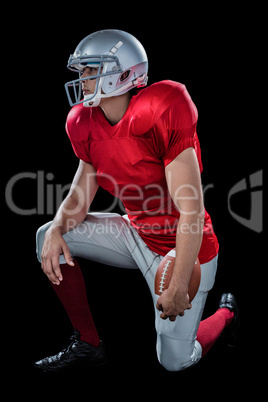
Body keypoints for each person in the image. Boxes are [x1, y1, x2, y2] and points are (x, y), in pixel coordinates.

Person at [35, 29, 239, 372]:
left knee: (175, 360)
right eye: (81, 71)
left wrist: (179, 281)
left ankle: (226, 313)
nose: (82, 79)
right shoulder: (83, 122)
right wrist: (57, 226)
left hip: (185, 249)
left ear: (124, 72)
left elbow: (192, 207)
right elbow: (80, 194)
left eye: (90, 70)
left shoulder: (163, 107)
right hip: (137, 233)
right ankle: (88, 342)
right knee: (48, 236)